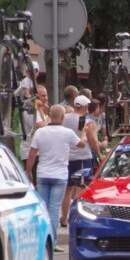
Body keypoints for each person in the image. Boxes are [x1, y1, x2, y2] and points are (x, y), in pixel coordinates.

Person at [25, 104, 86, 251]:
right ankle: (52, 242)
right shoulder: (67, 133)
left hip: (43, 174)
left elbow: (32, 153)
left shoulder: (40, 132)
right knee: (54, 209)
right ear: (63, 117)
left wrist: (28, 171)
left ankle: (41, 241)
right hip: (60, 176)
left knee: (43, 208)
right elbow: (82, 145)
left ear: (49, 116)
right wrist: (83, 132)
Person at [60, 95, 101, 227]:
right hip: (82, 157)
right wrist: (99, 153)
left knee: (67, 189)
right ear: (85, 107)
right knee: (80, 189)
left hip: (66, 157)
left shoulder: (64, 118)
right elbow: (92, 141)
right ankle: (76, 217)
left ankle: (64, 218)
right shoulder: (84, 121)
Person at [20, 85, 50, 184]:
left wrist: (41, 109)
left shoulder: (37, 109)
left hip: (39, 151)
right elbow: (42, 127)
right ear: (34, 97)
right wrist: (51, 119)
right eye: (42, 96)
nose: (45, 98)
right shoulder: (30, 110)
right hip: (30, 152)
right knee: (35, 183)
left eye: (46, 95)